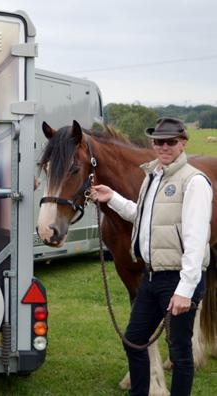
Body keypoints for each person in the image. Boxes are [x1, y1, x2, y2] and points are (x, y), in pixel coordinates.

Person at [90, 117, 212, 396]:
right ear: (153, 143)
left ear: (183, 143)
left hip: (179, 279)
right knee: (134, 340)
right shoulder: (153, 177)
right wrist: (113, 198)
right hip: (152, 276)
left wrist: (185, 290)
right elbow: (142, 216)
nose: (164, 146)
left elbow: (196, 240)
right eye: (159, 141)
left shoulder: (194, 182)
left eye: (171, 141)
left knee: (180, 353)